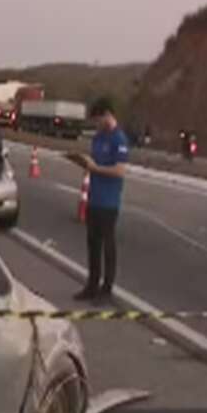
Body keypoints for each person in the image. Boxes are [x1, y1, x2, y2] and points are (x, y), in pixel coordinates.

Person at [75, 97, 130, 302]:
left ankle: (107, 289)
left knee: (108, 246)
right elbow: (94, 164)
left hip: (109, 202)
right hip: (93, 198)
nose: (96, 125)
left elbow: (119, 170)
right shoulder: (98, 138)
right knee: (93, 245)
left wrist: (95, 168)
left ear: (108, 115)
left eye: (98, 120)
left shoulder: (119, 139)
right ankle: (91, 285)